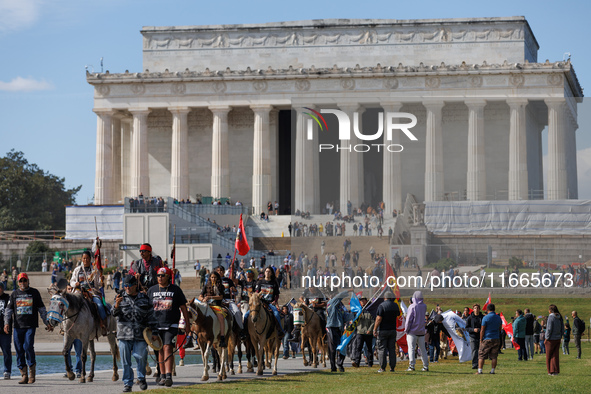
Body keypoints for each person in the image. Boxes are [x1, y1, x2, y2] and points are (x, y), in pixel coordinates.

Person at [114, 275, 158, 392]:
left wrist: (154, 332)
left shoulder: (144, 298)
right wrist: (117, 305)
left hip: (140, 334)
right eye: (125, 286)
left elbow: (151, 316)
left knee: (141, 356)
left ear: (135, 286)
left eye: (129, 286)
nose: (127, 288)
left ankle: (141, 377)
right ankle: (127, 383)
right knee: (125, 361)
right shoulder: (119, 297)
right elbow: (113, 313)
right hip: (124, 334)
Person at [147, 267, 190, 387]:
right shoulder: (151, 290)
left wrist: (187, 324)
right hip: (156, 326)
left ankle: (169, 375)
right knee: (159, 349)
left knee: (167, 347)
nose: (160, 278)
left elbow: (183, 308)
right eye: (158, 275)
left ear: (168, 277)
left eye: (162, 275)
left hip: (171, 324)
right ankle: (162, 375)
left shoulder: (176, 290)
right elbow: (147, 309)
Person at [3, 272, 49, 384]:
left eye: (24, 280)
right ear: (18, 282)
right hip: (18, 326)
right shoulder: (14, 294)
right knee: (19, 349)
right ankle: (24, 374)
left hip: (30, 326)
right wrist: (6, 323)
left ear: (28, 281)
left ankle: (32, 373)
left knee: (28, 346)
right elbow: (8, 311)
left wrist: (47, 322)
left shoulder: (34, 292)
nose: (23, 283)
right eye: (20, 281)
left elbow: (42, 309)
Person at [70, 251, 108, 334]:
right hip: (79, 292)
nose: (85, 260)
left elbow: (97, 284)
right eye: (84, 258)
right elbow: (71, 281)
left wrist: (101, 281)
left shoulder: (95, 270)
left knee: (100, 305)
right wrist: (75, 284)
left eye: (87, 258)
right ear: (82, 259)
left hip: (91, 292)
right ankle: (66, 325)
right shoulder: (77, 269)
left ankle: (103, 323)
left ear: (90, 259)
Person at [326, 289, 354, 372]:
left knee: (342, 347)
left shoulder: (340, 307)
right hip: (331, 327)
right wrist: (348, 291)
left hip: (340, 328)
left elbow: (346, 317)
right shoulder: (330, 303)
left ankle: (340, 363)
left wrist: (355, 314)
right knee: (332, 348)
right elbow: (338, 297)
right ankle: (333, 366)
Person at [199, 271, 228, 347]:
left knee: (221, 317)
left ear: (217, 278)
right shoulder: (206, 286)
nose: (213, 279)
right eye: (212, 277)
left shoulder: (221, 286)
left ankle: (222, 337)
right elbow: (200, 296)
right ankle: (195, 337)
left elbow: (221, 297)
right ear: (210, 278)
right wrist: (203, 299)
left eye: (215, 277)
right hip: (207, 305)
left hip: (216, 306)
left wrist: (211, 297)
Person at [373, 291, 399, 373]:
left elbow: (378, 319)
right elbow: (398, 315)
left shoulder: (382, 306)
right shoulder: (395, 305)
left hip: (383, 330)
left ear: (384, 298)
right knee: (392, 349)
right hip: (392, 330)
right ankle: (392, 367)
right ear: (391, 297)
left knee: (382, 349)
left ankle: (382, 367)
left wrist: (374, 329)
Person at [405, 291, 428, 372]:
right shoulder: (424, 306)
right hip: (421, 331)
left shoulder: (412, 306)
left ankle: (412, 366)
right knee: (423, 349)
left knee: (411, 349)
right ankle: (425, 366)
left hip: (412, 331)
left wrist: (406, 330)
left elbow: (408, 320)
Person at [477, 303, 502, 374]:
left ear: (487, 309)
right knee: (494, 356)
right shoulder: (498, 317)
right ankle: (492, 370)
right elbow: (500, 328)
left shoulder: (486, 318)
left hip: (487, 338)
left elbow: (482, 330)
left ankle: (480, 370)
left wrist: (481, 339)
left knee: (481, 355)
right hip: (496, 338)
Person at [351, 296, 374, 368]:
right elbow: (354, 320)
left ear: (366, 301)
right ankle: (357, 362)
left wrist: (370, 329)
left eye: (363, 300)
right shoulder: (358, 310)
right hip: (360, 331)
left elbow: (373, 321)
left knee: (369, 348)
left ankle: (370, 362)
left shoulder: (370, 309)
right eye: (361, 300)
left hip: (368, 331)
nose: (362, 302)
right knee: (358, 348)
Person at [545, 304, 564, 376]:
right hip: (558, 338)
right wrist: (561, 335)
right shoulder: (559, 317)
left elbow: (549, 329)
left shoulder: (551, 317)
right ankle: (555, 370)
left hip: (551, 339)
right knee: (555, 355)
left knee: (548, 356)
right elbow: (562, 328)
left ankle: (550, 371)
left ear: (550, 310)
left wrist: (546, 338)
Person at [465, 303, 484, 369]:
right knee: (474, 351)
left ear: (479, 309)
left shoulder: (482, 317)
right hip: (473, 337)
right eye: (475, 308)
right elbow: (467, 328)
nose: (476, 310)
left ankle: (480, 364)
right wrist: (473, 329)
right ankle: (475, 364)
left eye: (477, 308)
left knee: (481, 351)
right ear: (473, 309)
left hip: (481, 336)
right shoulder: (470, 318)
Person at [0, 283, 12, 379]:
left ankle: (7, 371)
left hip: (5, 331)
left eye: (0, 288)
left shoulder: (8, 298)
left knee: (6, 352)